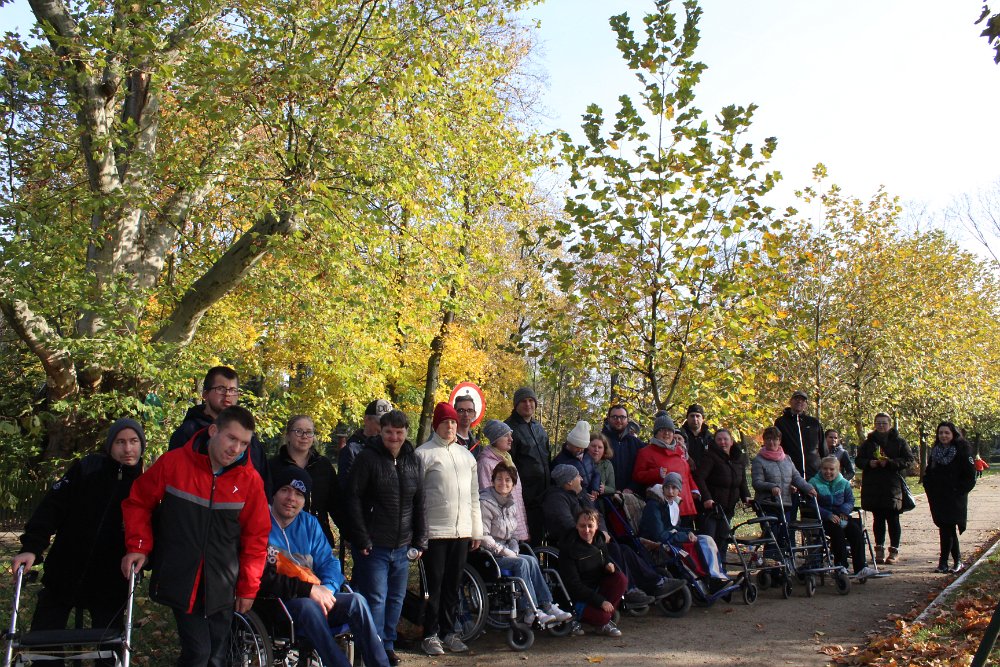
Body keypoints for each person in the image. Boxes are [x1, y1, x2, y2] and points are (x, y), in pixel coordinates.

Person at [121, 406, 270, 667]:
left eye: (244, 443)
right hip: (181, 575)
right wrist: (139, 546)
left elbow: (256, 538)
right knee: (199, 653)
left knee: (217, 657)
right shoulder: (175, 463)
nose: (236, 448)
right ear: (213, 431)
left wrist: (248, 587)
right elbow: (138, 502)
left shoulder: (250, 480)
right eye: (231, 438)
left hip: (223, 582)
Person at [12, 418, 145, 660]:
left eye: (134, 441)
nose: (128, 449)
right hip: (65, 570)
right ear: (110, 445)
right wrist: (32, 547)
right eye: (120, 442)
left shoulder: (146, 483)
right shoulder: (87, 469)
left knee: (109, 649)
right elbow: (51, 508)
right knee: (44, 640)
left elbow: (153, 529)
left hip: (111, 579)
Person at [260, 466, 389, 667]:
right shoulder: (260, 523)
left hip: (315, 595)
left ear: (305, 500)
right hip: (277, 603)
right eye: (285, 490)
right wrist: (310, 591)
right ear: (274, 493)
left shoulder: (309, 524)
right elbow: (262, 577)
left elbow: (328, 562)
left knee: (357, 601)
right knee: (308, 606)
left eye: (299, 494)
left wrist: (327, 589)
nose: (291, 498)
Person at [345, 409, 427, 666]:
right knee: (376, 599)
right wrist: (361, 538)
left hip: (402, 544)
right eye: (389, 432)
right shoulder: (367, 458)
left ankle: (388, 645)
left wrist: (420, 540)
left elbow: (420, 502)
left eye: (399, 432)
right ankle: (375, 647)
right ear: (380, 431)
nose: (394, 437)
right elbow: (353, 499)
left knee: (396, 598)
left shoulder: (413, 460)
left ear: (406, 433)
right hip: (374, 545)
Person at [415, 402, 482, 656]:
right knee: (434, 586)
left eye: (453, 422)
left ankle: (449, 631)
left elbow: (474, 496)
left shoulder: (467, 456)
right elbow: (416, 498)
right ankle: (430, 634)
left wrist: (476, 530)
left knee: (454, 585)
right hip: (434, 532)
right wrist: (418, 533)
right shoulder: (423, 454)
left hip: (462, 532)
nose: (451, 426)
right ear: (436, 425)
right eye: (445, 422)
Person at [542, 465, 662, 605]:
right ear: (569, 482)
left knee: (625, 549)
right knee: (614, 550)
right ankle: (628, 591)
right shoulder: (556, 499)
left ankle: (655, 583)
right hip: (575, 544)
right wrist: (596, 536)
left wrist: (603, 532)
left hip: (592, 538)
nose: (581, 479)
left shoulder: (581, 494)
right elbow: (567, 525)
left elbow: (597, 516)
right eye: (577, 476)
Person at [478, 463, 574, 626]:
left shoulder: (511, 504)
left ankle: (547, 605)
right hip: (489, 555)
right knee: (522, 562)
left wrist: (514, 548)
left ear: (513, 484)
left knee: (531, 560)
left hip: (506, 552)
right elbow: (483, 537)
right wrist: (504, 551)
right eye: (499, 479)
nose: (503, 483)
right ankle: (530, 609)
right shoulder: (485, 502)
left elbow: (513, 535)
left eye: (508, 480)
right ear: (492, 481)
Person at [168, 365, 271, 493]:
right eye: (221, 389)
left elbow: (263, 487)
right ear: (205, 394)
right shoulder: (188, 432)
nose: (227, 394)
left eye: (232, 390)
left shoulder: (250, 440)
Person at [269, 415, 341, 550]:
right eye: (298, 431)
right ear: (288, 435)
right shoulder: (273, 466)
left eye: (309, 432)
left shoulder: (323, 466)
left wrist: (349, 534)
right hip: (280, 538)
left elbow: (336, 504)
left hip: (318, 538)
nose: (304, 436)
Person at [639, 477, 729, 585]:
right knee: (695, 546)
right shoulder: (654, 506)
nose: (670, 491)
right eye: (667, 487)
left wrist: (689, 532)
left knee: (707, 539)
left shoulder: (671, 504)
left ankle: (716, 576)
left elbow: (673, 527)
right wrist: (685, 536)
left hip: (668, 537)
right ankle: (708, 579)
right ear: (663, 488)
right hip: (654, 541)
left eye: (674, 488)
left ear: (679, 490)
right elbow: (659, 535)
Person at [557, 508, 627, 637]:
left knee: (620, 578)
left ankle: (603, 619)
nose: (587, 530)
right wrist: (601, 601)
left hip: (596, 588)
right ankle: (600, 620)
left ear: (597, 526)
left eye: (590, 526)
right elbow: (574, 585)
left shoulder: (599, 540)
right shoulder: (569, 548)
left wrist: (609, 568)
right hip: (578, 597)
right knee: (603, 617)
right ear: (576, 526)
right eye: (582, 526)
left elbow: (605, 563)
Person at [856, 413, 914, 565]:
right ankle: (879, 549)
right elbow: (859, 460)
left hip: (892, 486)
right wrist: (869, 463)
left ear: (889, 424)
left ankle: (894, 550)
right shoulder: (868, 443)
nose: (881, 426)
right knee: (878, 519)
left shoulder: (899, 441)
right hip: (873, 486)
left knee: (893, 518)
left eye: (884, 423)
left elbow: (909, 460)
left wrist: (890, 463)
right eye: (878, 423)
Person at [808, 457, 878, 579]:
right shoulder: (813, 483)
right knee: (837, 532)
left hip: (842, 516)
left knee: (856, 530)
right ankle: (841, 566)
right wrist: (828, 515)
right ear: (820, 469)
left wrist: (844, 511)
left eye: (831, 469)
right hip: (824, 518)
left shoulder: (844, 483)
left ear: (838, 470)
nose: (828, 472)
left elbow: (850, 500)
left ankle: (861, 568)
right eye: (825, 469)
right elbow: (811, 504)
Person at [922, 422, 977, 574]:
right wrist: (929, 486)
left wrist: (958, 490)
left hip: (955, 497)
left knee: (948, 527)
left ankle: (946, 562)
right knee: (946, 527)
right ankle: (953, 561)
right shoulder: (935, 452)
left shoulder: (962, 451)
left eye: (947, 433)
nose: (943, 436)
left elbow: (970, 477)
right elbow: (929, 472)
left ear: (953, 434)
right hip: (938, 497)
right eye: (940, 433)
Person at [752, 426, 817, 552]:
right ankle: (771, 560)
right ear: (764, 441)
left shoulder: (787, 459)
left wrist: (808, 488)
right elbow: (757, 482)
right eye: (768, 439)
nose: (772, 442)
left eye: (775, 439)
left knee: (784, 533)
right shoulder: (758, 460)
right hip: (767, 503)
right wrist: (771, 487)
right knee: (772, 534)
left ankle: (784, 560)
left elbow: (796, 477)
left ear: (779, 441)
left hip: (785, 503)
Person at [632, 414, 700, 525]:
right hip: (664, 506)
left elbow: (687, 475)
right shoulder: (646, 452)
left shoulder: (680, 451)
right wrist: (656, 473)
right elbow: (637, 475)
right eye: (662, 430)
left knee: (688, 535)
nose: (666, 433)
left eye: (669, 430)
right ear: (656, 433)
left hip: (686, 505)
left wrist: (694, 489)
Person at [695, 428, 750, 560]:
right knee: (709, 540)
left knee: (723, 539)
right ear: (715, 442)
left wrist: (746, 496)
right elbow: (699, 478)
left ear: (731, 441)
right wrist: (707, 498)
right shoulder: (710, 456)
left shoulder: (738, 458)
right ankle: (708, 568)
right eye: (719, 439)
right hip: (712, 508)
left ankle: (722, 567)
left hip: (728, 507)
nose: (722, 442)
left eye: (725, 439)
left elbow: (742, 481)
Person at [505, 387, 551, 545]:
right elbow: (507, 465)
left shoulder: (539, 428)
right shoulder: (509, 429)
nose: (528, 404)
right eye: (523, 401)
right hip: (524, 498)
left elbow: (547, 458)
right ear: (516, 404)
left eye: (531, 400)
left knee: (542, 539)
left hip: (544, 495)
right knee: (528, 543)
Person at [477, 419, 529, 541]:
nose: (511, 439)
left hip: (514, 524)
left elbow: (518, 499)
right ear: (495, 439)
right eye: (506, 436)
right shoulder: (486, 463)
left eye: (510, 435)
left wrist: (524, 527)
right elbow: (487, 500)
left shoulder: (508, 461)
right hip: (500, 530)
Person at [338, 398, 391, 492]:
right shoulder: (351, 450)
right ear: (366, 420)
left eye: (389, 424)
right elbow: (346, 490)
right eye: (380, 424)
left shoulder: (392, 448)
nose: (384, 429)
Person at [774, 390, 826, 479]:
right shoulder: (781, 422)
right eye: (796, 399)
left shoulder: (814, 423)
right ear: (790, 401)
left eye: (803, 400)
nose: (799, 401)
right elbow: (777, 446)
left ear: (806, 404)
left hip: (814, 475)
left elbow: (823, 447)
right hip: (790, 473)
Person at [601, 405, 645, 493]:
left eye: (622, 417)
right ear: (608, 419)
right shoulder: (599, 441)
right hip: (604, 494)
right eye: (614, 417)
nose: (618, 420)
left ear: (627, 420)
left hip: (630, 495)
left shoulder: (637, 444)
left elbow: (644, 469)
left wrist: (632, 488)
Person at [552, 420, 601, 499]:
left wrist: (595, 488)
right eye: (577, 447)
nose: (580, 450)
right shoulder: (559, 461)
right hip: (575, 500)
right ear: (569, 443)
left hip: (592, 498)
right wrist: (582, 495)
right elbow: (559, 487)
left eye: (582, 447)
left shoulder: (587, 456)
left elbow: (596, 473)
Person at [681, 404, 713, 469]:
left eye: (698, 416)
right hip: (683, 471)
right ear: (687, 418)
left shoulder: (710, 438)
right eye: (692, 416)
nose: (695, 419)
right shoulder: (679, 435)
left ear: (703, 419)